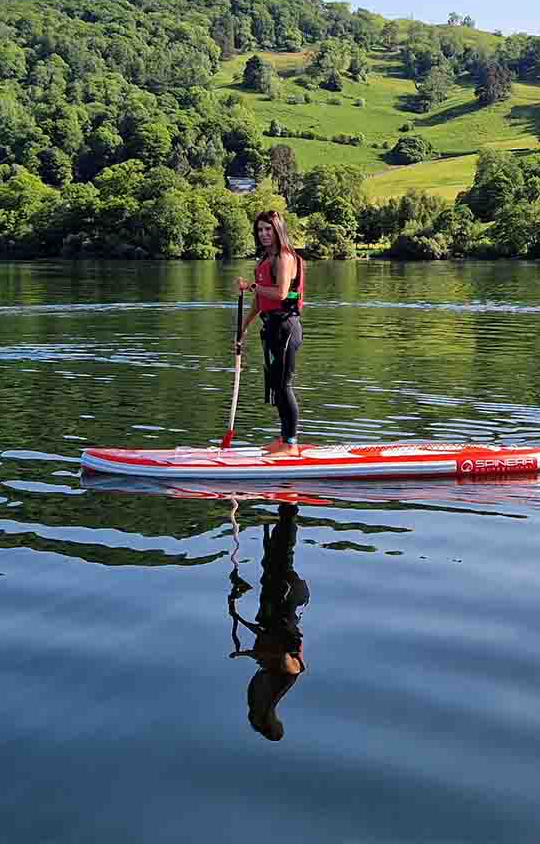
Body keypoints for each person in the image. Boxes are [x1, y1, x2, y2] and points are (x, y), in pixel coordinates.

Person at [228, 502, 308, 741]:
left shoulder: (269, 672)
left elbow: (268, 651)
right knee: (280, 559)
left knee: (272, 561)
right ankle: (289, 506)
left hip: (274, 607)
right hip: (288, 600)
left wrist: (248, 652)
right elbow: (291, 664)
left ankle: (283, 510)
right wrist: (265, 654)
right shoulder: (288, 675)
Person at [233, 211, 304, 454]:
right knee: (275, 384)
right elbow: (260, 299)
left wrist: (251, 286)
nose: (263, 234)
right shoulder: (265, 258)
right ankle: (283, 439)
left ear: (277, 230)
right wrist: (242, 328)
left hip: (286, 326)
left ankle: (291, 443)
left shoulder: (284, 257)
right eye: (260, 230)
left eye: (268, 229)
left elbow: (281, 294)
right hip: (271, 327)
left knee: (283, 385)